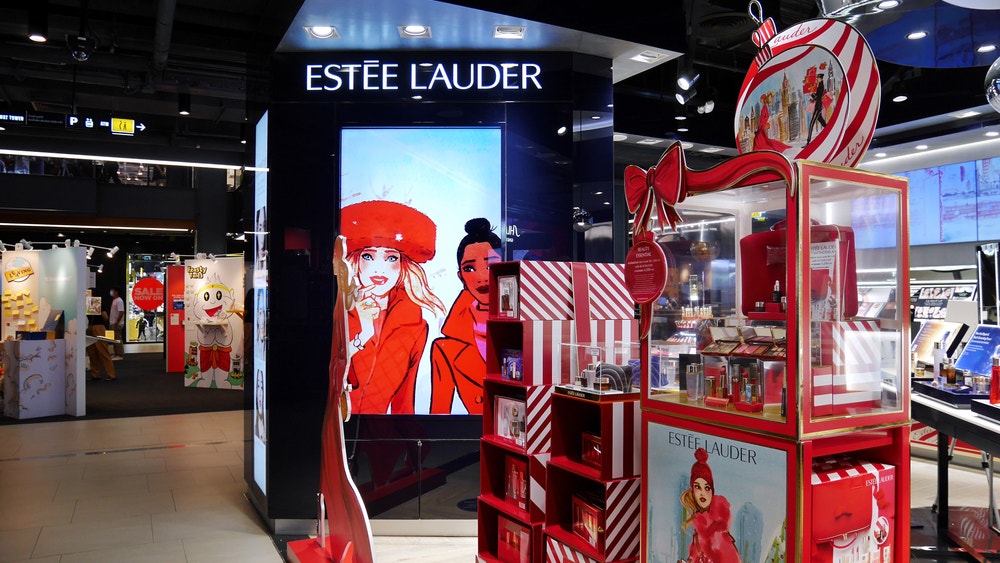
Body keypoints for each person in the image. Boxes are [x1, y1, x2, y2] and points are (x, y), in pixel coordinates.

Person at [340, 200, 445, 414]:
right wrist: (363, 333)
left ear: (402, 264)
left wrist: (407, 433)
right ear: (355, 261)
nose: (379, 269)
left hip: (381, 430)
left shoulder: (415, 326)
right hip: (337, 424)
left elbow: (404, 401)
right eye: (368, 256)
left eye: (391, 258)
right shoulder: (340, 310)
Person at [430, 218, 502, 414]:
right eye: (469, 268)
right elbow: (439, 415)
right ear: (460, 276)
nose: (481, 277)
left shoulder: (529, 327)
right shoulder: (445, 349)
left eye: (491, 265)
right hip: (474, 432)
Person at [681, 448, 740, 563]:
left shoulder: (718, 532)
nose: (702, 492)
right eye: (697, 487)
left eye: (707, 488)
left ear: (712, 491)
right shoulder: (699, 532)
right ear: (692, 490)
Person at [806, 73, 828, 144]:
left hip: (818, 107)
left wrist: (812, 94)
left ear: (821, 79)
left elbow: (818, 97)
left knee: (811, 123)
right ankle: (830, 131)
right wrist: (812, 94)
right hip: (818, 106)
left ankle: (808, 141)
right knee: (822, 122)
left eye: (818, 78)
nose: (817, 79)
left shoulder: (821, 87)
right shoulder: (819, 86)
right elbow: (817, 96)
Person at [108, 287, 125, 359]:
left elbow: (121, 312)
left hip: (117, 323)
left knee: (118, 339)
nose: (111, 292)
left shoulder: (119, 300)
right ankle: (116, 353)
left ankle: (120, 354)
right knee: (114, 339)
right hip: (112, 323)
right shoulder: (114, 300)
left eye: (112, 290)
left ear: (116, 291)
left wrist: (117, 322)